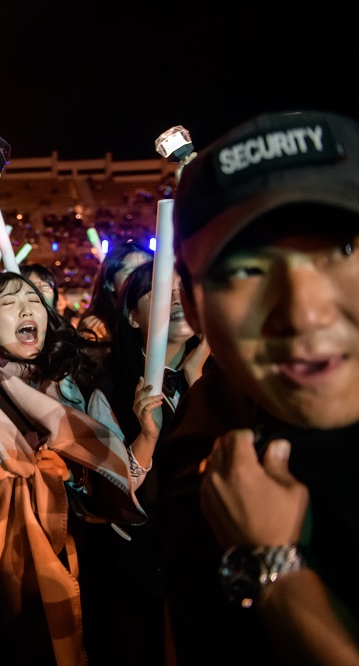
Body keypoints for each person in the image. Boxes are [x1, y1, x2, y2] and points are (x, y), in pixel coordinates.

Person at [0, 158, 144, 664]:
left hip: (53, 549)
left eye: (35, 302)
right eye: (10, 301)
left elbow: (109, 469)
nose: (28, 310)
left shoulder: (59, 388)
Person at [157, 109, 359, 665]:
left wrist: (276, 568)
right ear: (193, 309)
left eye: (342, 251)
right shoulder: (199, 464)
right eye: (245, 270)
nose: (304, 314)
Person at [80, 262, 209, 665]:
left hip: (208, 557)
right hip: (142, 569)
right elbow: (112, 496)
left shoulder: (219, 375)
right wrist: (146, 438)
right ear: (132, 316)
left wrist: (198, 385)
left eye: (180, 288)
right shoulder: (110, 388)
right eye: (156, 291)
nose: (174, 298)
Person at [77, 241, 152, 343]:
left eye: (147, 271)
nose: (141, 278)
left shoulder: (165, 314)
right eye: (132, 272)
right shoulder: (97, 329)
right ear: (110, 283)